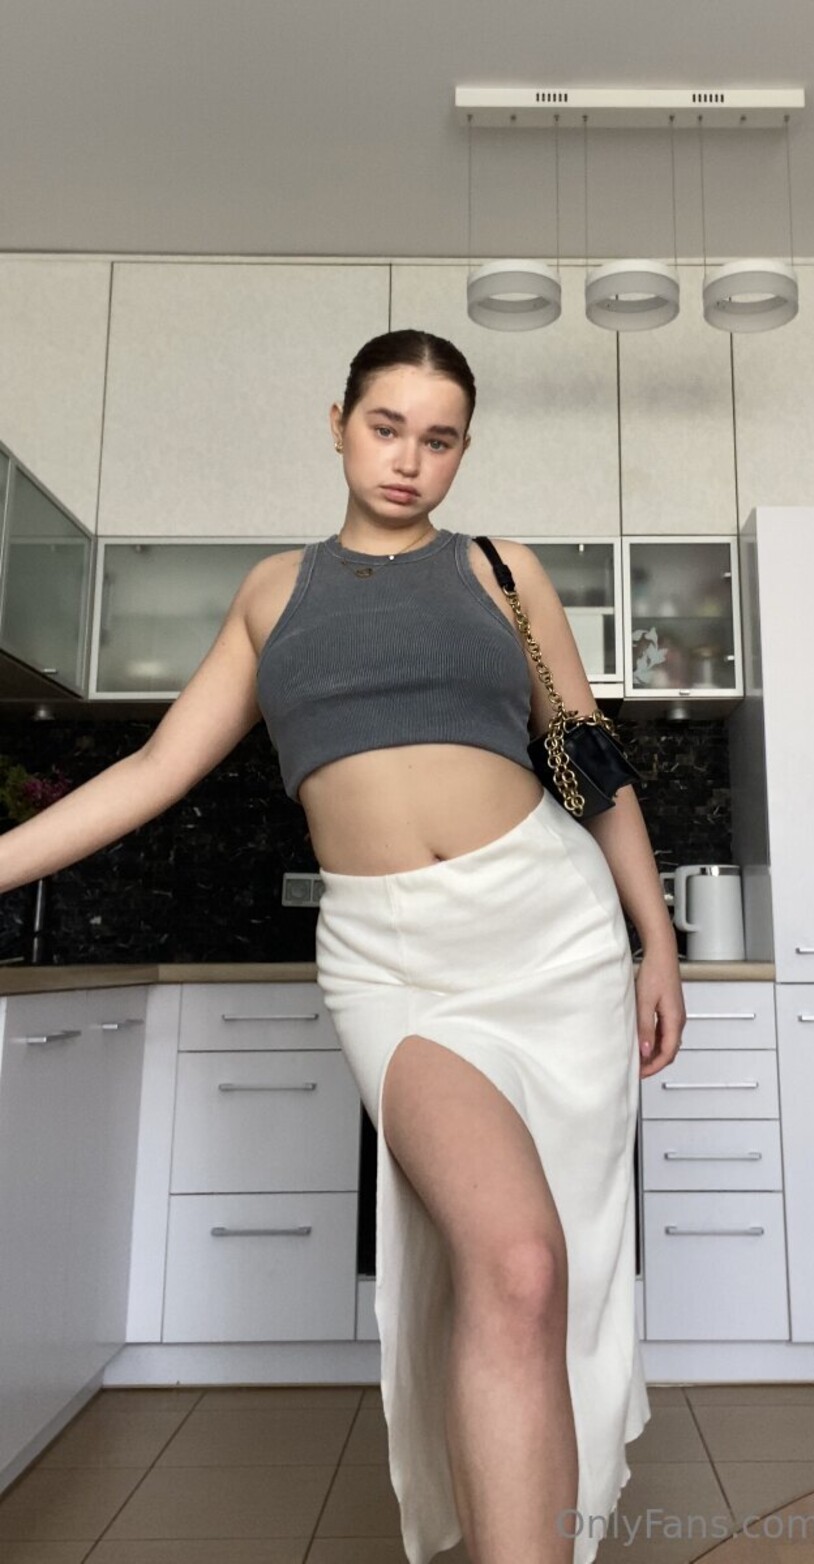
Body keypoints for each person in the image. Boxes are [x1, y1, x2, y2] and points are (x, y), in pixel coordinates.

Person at [0, 327, 687, 1564]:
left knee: (550, 1276)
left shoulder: (500, 571)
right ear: (337, 423)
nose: (409, 460)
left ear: (463, 449)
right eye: (386, 427)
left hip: (551, 934)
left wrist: (659, 942)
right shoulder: (275, 593)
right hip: (393, 965)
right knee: (514, 1257)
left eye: (439, 438)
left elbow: (587, 759)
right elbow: (155, 767)